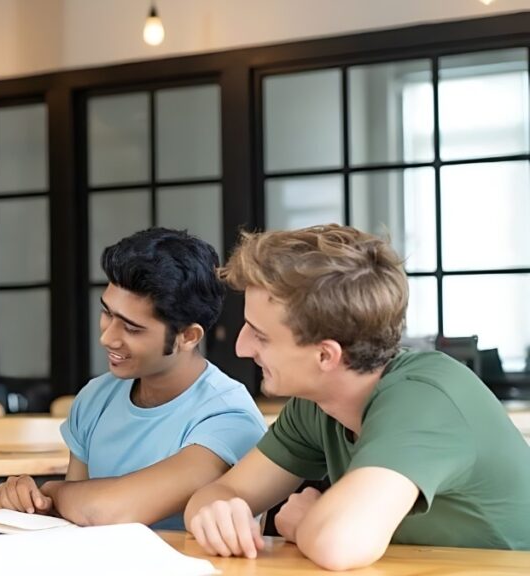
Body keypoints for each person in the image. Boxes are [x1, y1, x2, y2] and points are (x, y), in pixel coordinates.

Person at [184, 224, 530, 570]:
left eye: (260, 336)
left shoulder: (426, 401)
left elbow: (339, 544)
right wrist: (217, 511)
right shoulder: (315, 403)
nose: (242, 348)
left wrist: (304, 520)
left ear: (326, 356)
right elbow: (217, 495)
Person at [0, 228, 266, 529]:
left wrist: (53, 491)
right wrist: (27, 502)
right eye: (107, 313)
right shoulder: (96, 396)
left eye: (132, 328)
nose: (107, 338)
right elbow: (74, 523)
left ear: (187, 336)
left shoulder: (229, 416)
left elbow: (107, 511)